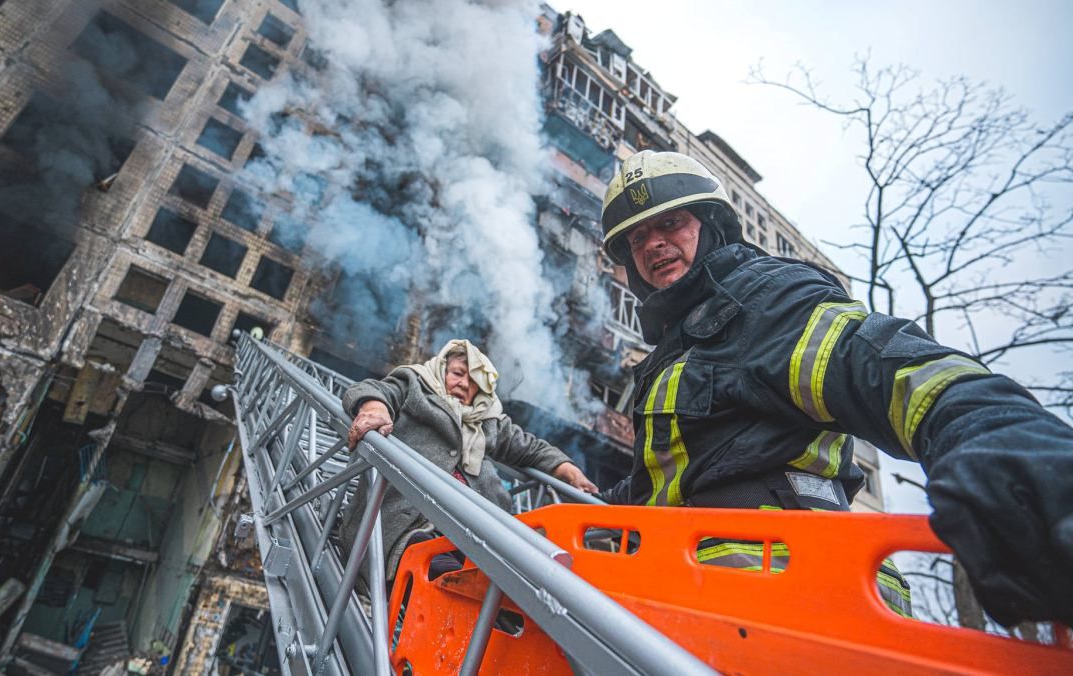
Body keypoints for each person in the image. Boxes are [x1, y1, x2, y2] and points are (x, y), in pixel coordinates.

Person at [595, 149, 1073, 627]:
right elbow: (689, 476)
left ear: (711, 223)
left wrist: (991, 435)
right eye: (638, 237)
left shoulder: (764, 301)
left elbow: (875, 363)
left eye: (671, 223)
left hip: (792, 595)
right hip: (704, 598)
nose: (654, 244)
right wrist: (597, 499)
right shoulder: (672, 354)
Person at [340, 339, 597, 583]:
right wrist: (375, 409)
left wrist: (568, 470)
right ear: (442, 369)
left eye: (473, 380)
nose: (464, 384)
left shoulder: (488, 418)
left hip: (477, 531)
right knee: (446, 578)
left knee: (529, 582)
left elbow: (530, 448)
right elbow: (371, 389)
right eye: (458, 373)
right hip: (412, 523)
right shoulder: (415, 384)